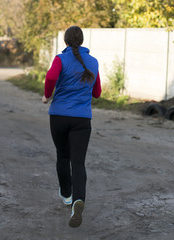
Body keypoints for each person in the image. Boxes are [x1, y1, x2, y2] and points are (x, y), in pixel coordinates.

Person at [42, 26, 101, 228]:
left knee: (62, 156)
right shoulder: (93, 62)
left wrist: (47, 94)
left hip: (58, 116)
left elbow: (50, 78)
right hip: (82, 120)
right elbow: (97, 93)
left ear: (65, 42)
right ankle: (78, 200)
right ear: (81, 41)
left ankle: (66, 195)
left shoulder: (60, 59)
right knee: (78, 162)